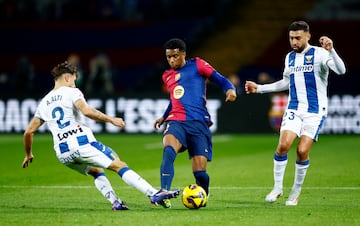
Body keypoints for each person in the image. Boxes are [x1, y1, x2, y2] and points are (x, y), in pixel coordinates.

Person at [22, 61, 180, 211]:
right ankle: (153, 194)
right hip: (81, 143)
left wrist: (28, 154)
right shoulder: (72, 92)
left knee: (96, 170)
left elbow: (29, 132)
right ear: (67, 77)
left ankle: (115, 202)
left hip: (63, 153)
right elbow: (87, 111)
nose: (75, 84)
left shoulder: (44, 102)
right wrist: (111, 119)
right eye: (74, 81)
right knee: (119, 164)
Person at [245, 21, 346, 206]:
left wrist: (332, 50)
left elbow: (341, 70)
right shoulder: (289, 57)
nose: (294, 41)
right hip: (294, 108)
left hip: (315, 112)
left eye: (298, 38)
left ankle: (296, 191)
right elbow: (285, 82)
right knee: (283, 145)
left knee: (302, 150)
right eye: (291, 38)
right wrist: (259, 88)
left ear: (308, 36)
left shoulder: (320, 54)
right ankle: (277, 188)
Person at [153, 38, 237, 208]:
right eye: (168, 57)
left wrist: (230, 89)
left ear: (183, 54)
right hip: (176, 121)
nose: (171, 60)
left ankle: (203, 195)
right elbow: (174, 99)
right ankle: (164, 191)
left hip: (198, 123)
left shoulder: (198, 65)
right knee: (169, 148)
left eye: (175, 56)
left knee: (200, 172)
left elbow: (221, 79)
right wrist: (164, 116)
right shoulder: (167, 75)